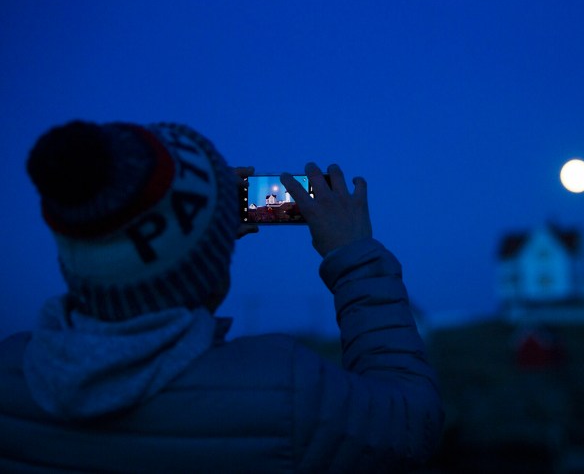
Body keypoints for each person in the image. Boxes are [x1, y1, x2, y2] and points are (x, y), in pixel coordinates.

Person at [0, 120, 444, 473]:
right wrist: (354, 256)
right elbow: (413, 422)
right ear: (213, 272)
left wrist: (193, 247)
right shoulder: (287, 393)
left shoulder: (10, 371)